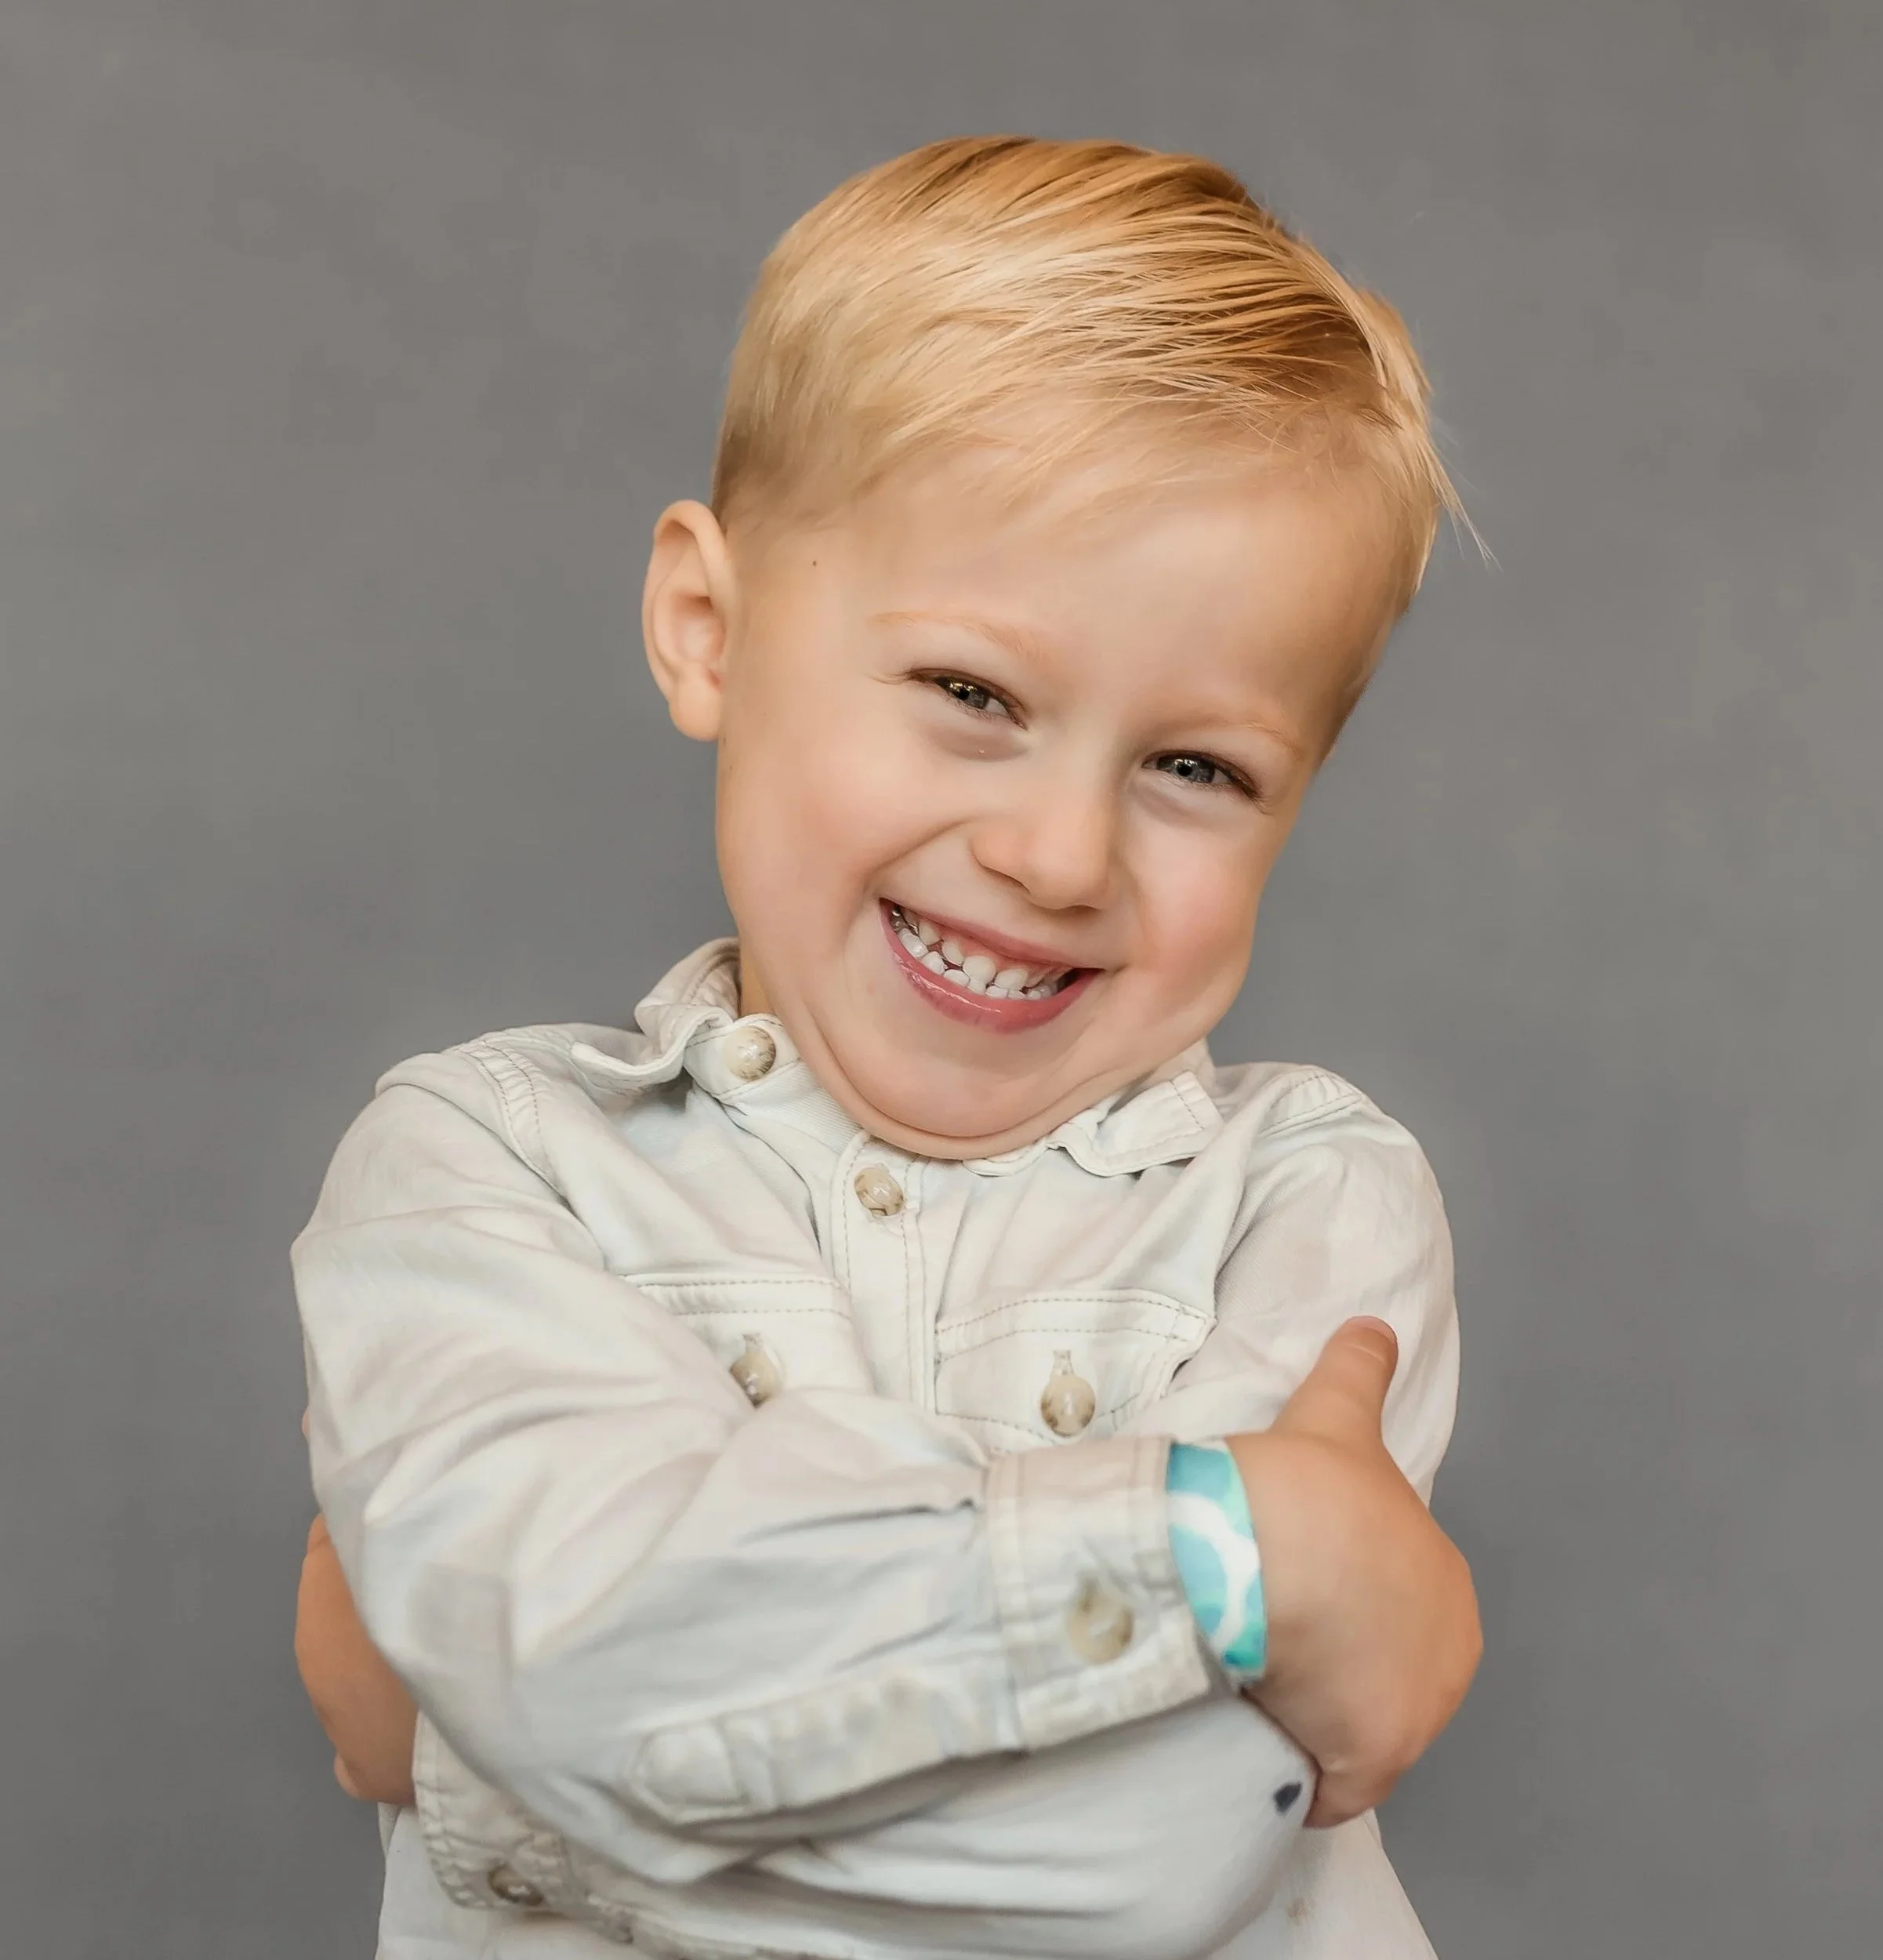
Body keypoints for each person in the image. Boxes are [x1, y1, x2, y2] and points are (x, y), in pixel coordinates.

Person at [292, 135, 1482, 1960]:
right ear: (707, 628)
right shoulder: (474, 1168)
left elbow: (1145, 1863)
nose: (1058, 854)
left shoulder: (1307, 1207)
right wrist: (1228, 1545)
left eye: (1195, 767)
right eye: (974, 696)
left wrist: (503, 1762)